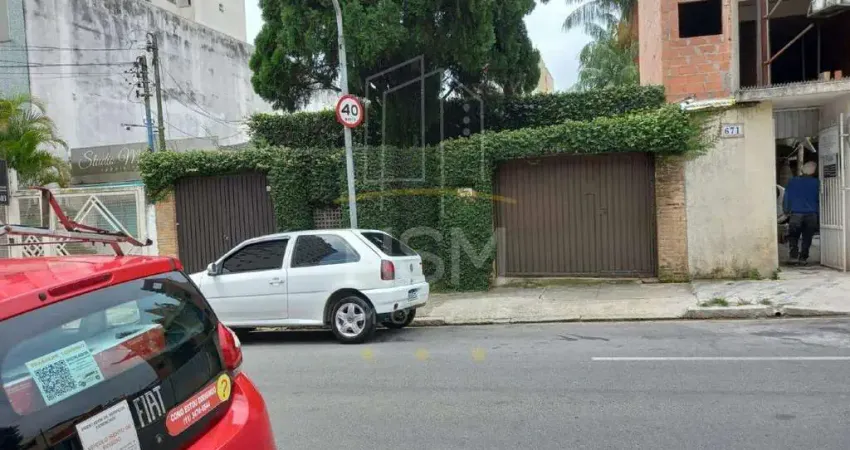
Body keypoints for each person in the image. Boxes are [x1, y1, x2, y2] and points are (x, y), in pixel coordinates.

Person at [783, 161, 819, 264]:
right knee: (807, 237)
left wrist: (786, 210)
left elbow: (787, 197)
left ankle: (793, 257)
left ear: (802, 170)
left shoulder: (793, 181)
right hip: (812, 214)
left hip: (796, 214)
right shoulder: (817, 182)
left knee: (793, 236)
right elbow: (819, 199)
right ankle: (803, 258)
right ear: (814, 172)